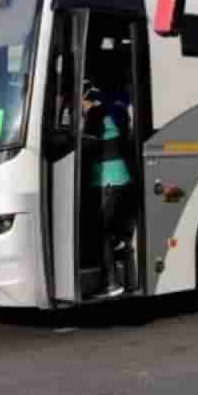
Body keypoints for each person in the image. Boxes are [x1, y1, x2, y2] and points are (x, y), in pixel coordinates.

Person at [83, 80, 133, 297]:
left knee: (101, 231)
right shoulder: (118, 110)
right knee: (114, 232)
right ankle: (128, 278)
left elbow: (88, 143)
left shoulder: (97, 115)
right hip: (120, 177)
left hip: (107, 179)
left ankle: (111, 283)